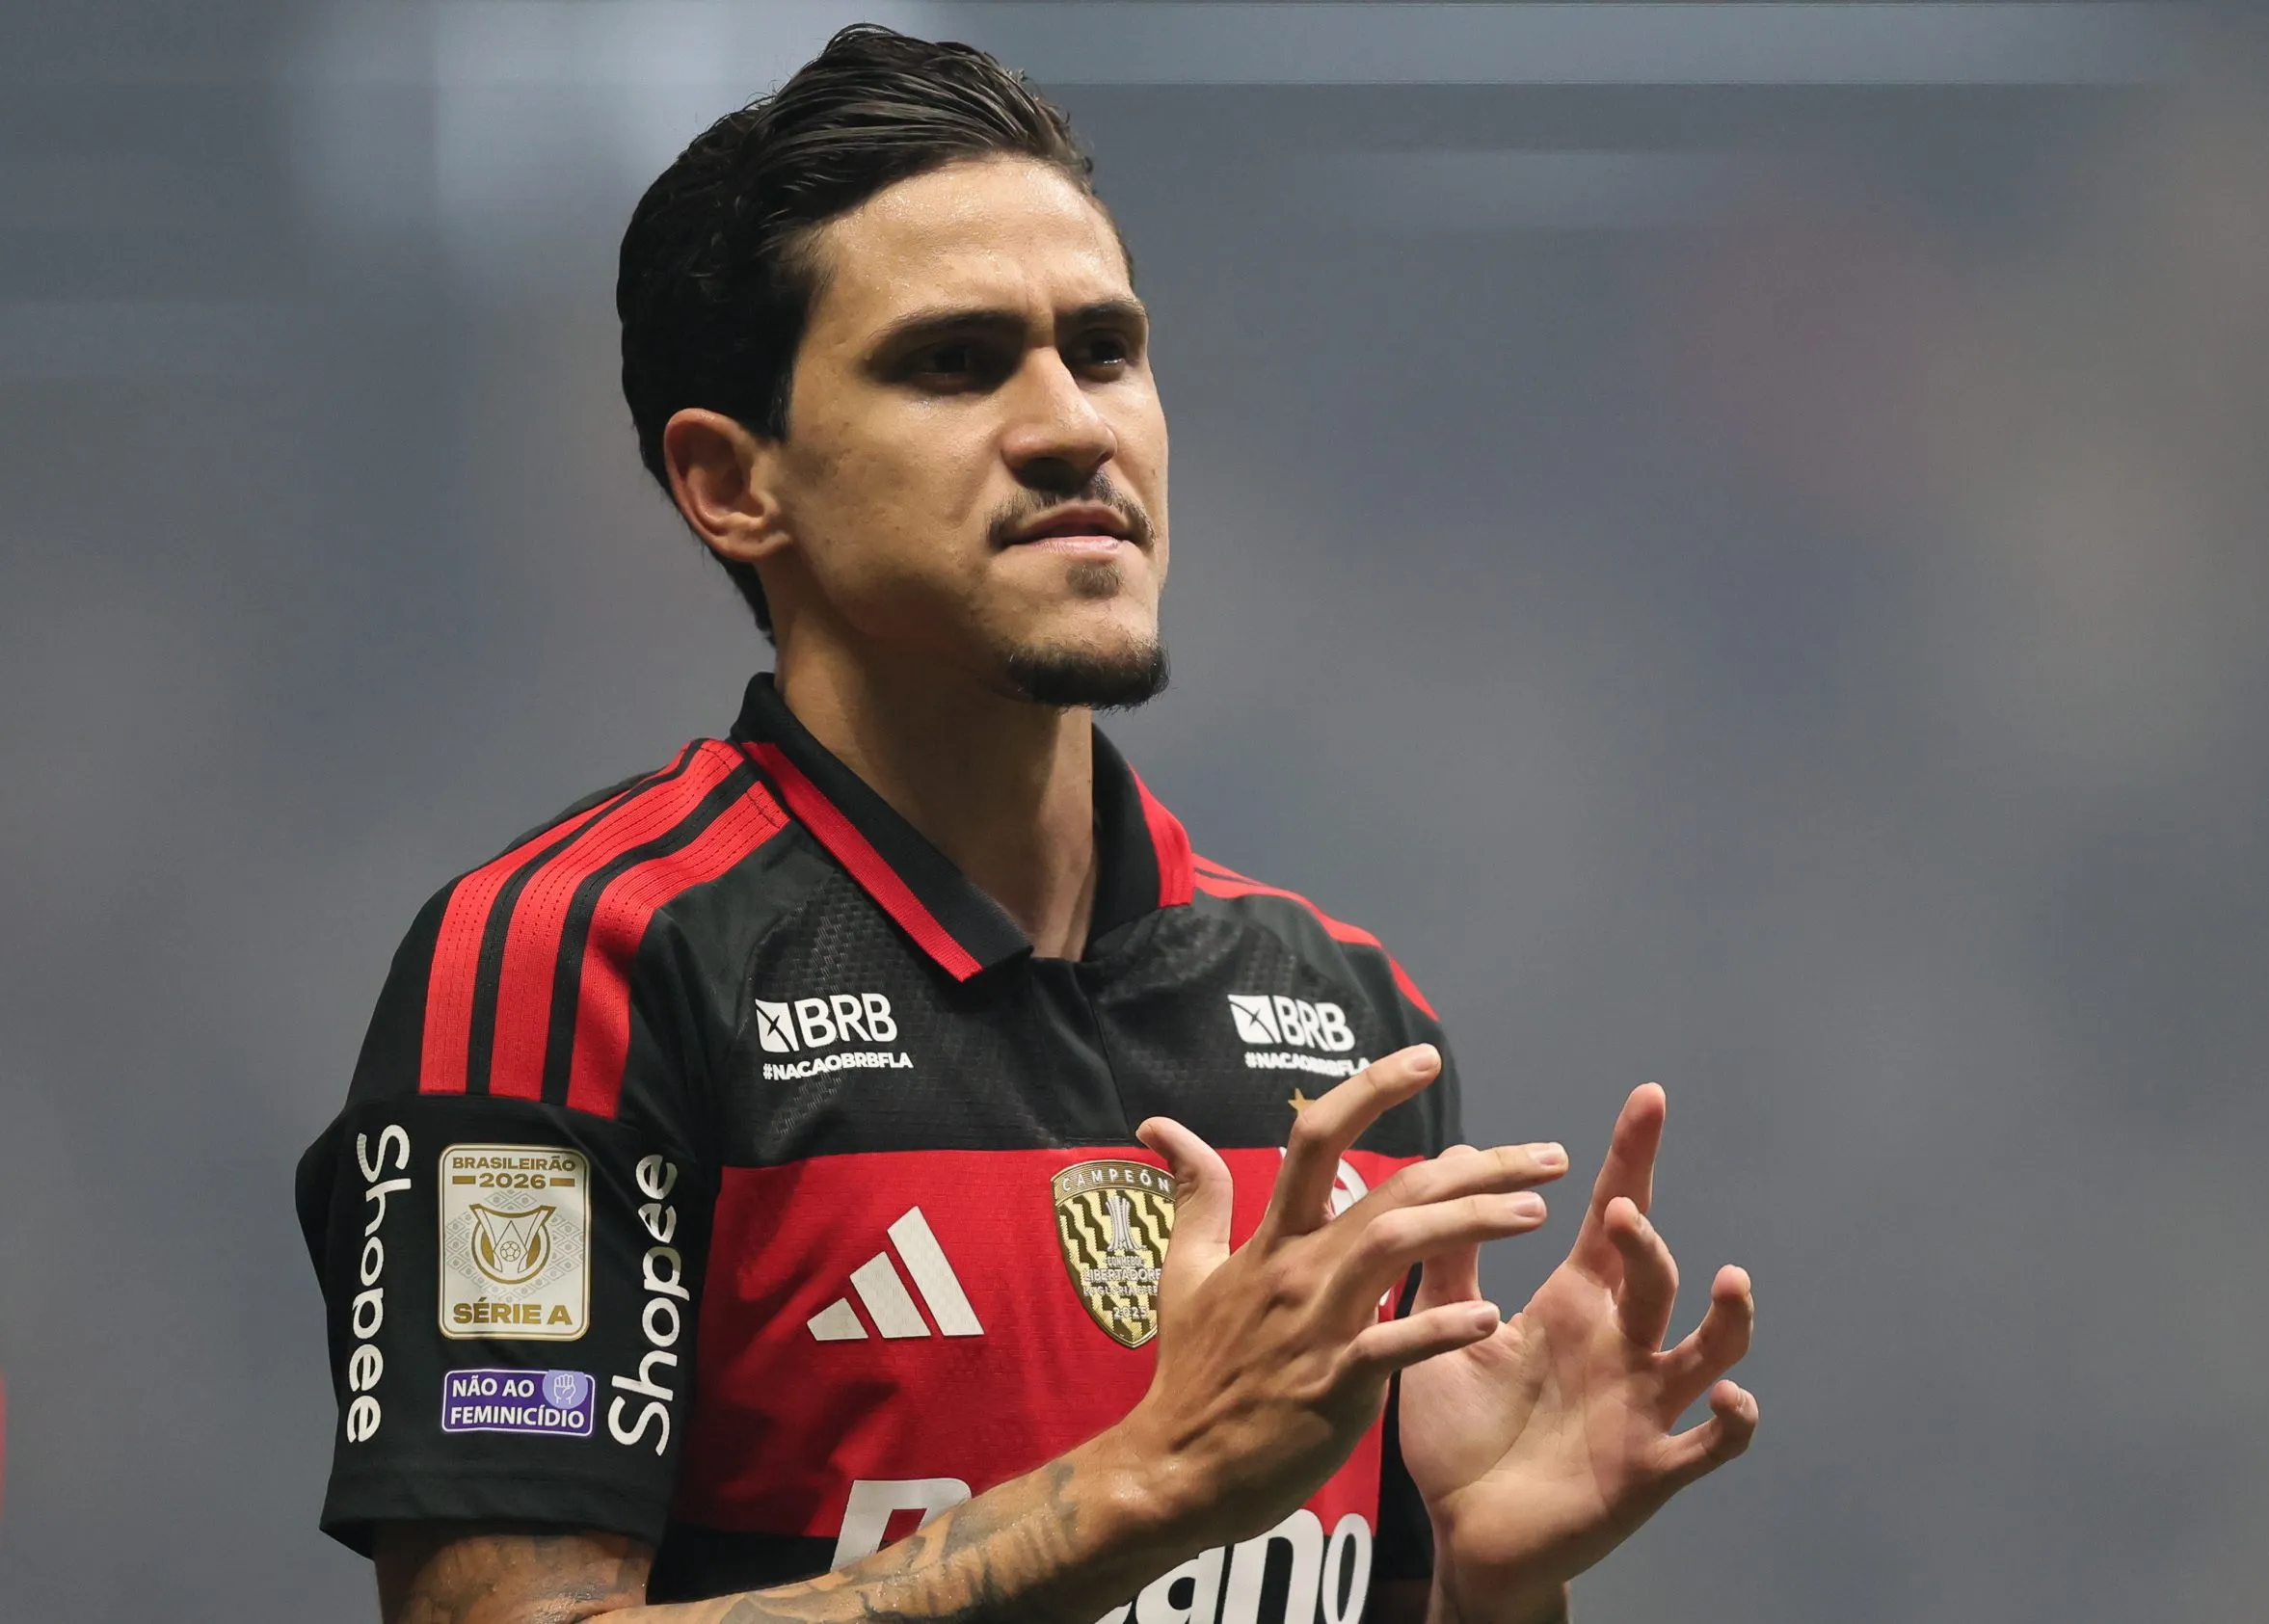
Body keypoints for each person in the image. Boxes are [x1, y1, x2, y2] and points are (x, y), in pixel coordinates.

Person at [295, 25, 1757, 1624]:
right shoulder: (574, 968)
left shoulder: (1346, 1020)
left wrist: (1484, 1588)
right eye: (955, 361)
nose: (1078, 426)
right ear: (730, 484)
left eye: (1107, 350)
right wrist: (1139, 1493)